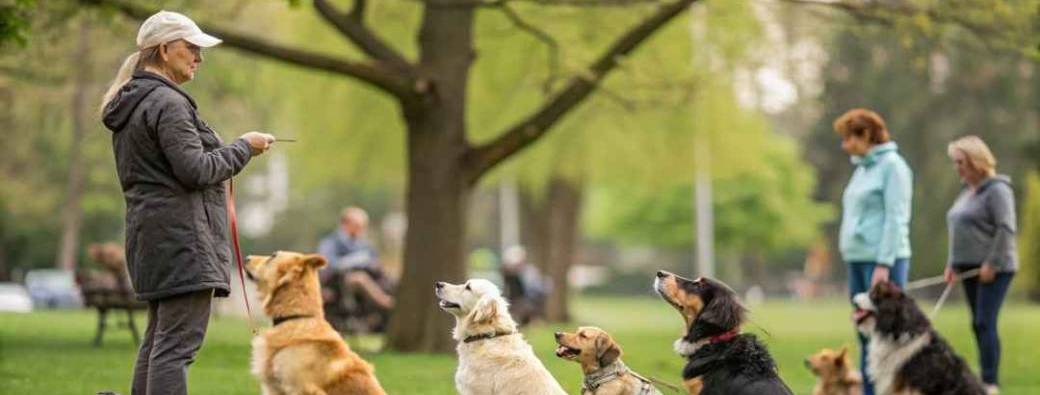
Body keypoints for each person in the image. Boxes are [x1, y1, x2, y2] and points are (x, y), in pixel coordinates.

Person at [100, 10, 275, 395]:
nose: (199, 57)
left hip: (153, 238)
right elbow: (196, 170)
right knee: (175, 348)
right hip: (182, 240)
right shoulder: (168, 103)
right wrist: (244, 147)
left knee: (159, 343)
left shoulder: (135, 102)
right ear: (164, 50)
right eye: (191, 48)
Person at [834, 108, 913, 395]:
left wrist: (884, 264)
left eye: (848, 138)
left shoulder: (894, 166)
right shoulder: (861, 168)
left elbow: (896, 217)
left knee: (887, 336)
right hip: (856, 258)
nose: (845, 146)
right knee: (865, 335)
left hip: (882, 260)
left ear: (866, 134)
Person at [945, 136, 1017, 395]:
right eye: (955, 162)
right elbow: (958, 230)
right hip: (967, 268)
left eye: (961, 162)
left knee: (985, 321)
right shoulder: (966, 193)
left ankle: (990, 382)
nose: (957, 168)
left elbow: (1006, 228)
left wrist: (992, 263)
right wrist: (952, 264)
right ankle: (985, 374)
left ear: (976, 161)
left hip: (994, 269)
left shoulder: (998, 190)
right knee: (976, 323)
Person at [317, 207, 395, 330]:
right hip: (339, 283)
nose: (361, 229)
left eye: (363, 226)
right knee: (359, 278)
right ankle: (387, 304)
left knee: (391, 277)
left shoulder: (364, 244)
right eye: (358, 225)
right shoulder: (331, 242)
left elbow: (375, 262)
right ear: (345, 223)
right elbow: (328, 264)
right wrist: (355, 260)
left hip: (370, 280)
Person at [499, 245, 547, 326]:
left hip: (515, 301)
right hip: (525, 301)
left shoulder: (507, 274)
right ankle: (534, 320)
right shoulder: (528, 271)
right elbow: (536, 288)